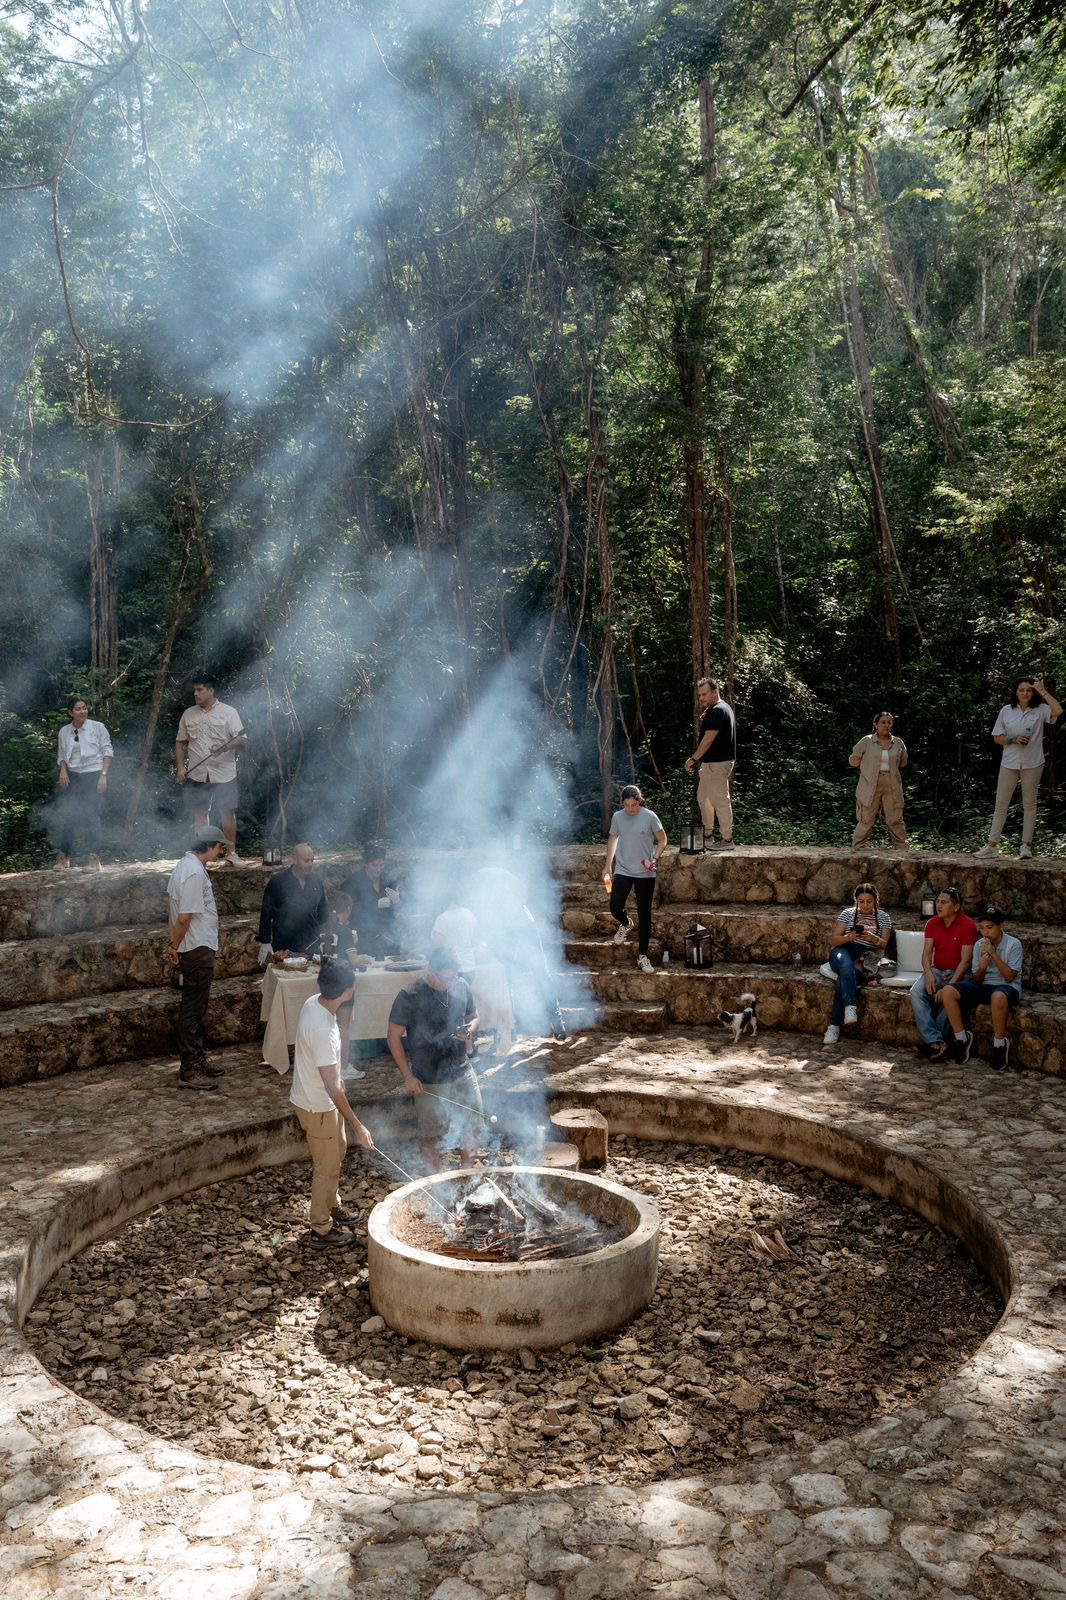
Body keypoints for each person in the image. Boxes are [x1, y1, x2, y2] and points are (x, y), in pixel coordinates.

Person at [291, 958, 375, 1250]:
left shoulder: (315, 1002)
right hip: (318, 1107)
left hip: (323, 1102)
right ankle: (321, 1228)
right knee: (325, 1167)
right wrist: (359, 1126)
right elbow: (330, 1085)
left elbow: (331, 1077)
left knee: (336, 1153)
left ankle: (332, 1204)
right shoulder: (323, 1029)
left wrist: (338, 1079)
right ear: (347, 992)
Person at [387, 946, 481, 1171]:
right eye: (444, 978)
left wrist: (469, 1031)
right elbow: (393, 1037)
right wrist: (408, 1076)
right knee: (431, 1137)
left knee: (474, 1127)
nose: (449, 983)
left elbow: (475, 1017)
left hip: (462, 1070)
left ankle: (466, 1176)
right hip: (428, 1078)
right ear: (431, 969)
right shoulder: (410, 996)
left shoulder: (461, 985)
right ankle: (437, 1185)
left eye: (453, 977)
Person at [467, 865, 567, 1042]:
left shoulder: (494, 873)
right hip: (501, 933)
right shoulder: (474, 896)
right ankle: (510, 1027)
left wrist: (512, 911)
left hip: (523, 926)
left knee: (541, 972)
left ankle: (557, 1023)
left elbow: (522, 890)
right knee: (507, 977)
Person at [165, 826, 228, 1090]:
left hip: (194, 946)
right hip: (197, 947)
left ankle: (198, 1060)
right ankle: (189, 1070)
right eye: (220, 846)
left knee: (197, 1009)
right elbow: (184, 917)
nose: (222, 850)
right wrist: (174, 946)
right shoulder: (192, 872)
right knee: (192, 1010)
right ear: (210, 845)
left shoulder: (187, 866)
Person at [976, 677, 1062, 859]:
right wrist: (1013, 739)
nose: (1025, 693)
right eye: (1021, 690)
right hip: (1009, 762)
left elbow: (1058, 710)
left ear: (1033, 693)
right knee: (1001, 804)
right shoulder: (1006, 711)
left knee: (1029, 805)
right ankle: (991, 846)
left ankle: (1025, 847)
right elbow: (997, 738)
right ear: (1016, 692)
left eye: (1029, 690)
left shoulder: (1040, 710)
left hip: (1033, 762)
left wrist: (1043, 690)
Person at [939, 905, 1023, 1070]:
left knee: (997, 997)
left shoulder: (1014, 944)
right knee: (948, 991)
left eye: (990, 928)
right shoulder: (979, 945)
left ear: (1001, 927)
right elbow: (977, 978)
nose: (986, 932)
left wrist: (993, 955)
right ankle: (961, 1039)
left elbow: (1010, 976)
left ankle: (999, 1045)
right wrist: (983, 967)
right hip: (983, 986)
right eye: (982, 928)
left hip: (1006, 987)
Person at [175, 676, 247, 863]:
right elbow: (180, 742)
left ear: (211, 691)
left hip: (224, 772)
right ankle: (204, 855)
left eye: (199, 690)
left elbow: (242, 739)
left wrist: (224, 747)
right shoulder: (188, 714)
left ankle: (231, 853)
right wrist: (181, 768)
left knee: (227, 812)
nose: (196, 694)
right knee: (200, 813)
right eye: (195, 691)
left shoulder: (229, 712)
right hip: (197, 773)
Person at [909, 888, 979, 1061]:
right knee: (916, 991)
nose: (938, 905)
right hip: (937, 970)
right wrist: (929, 974)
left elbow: (965, 962)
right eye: (938, 901)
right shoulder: (932, 923)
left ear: (956, 907)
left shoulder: (968, 925)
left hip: (960, 974)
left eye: (943, 902)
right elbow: (926, 954)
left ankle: (933, 1043)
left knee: (950, 996)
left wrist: (949, 987)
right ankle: (937, 1042)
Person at [604, 785, 668, 973]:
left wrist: (654, 859)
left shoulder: (650, 817)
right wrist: (608, 865)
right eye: (627, 805)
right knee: (615, 906)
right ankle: (625, 923)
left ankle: (643, 956)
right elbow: (613, 839)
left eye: (634, 805)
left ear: (640, 801)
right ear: (623, 803)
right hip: (623, 869)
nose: (631, 809)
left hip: (645, 872)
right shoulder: (618, 817)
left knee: (645, 914)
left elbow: (663, 840)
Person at [822, 882, 892, 1045]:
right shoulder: (847, 914)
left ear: (875, 900)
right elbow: (834, 940)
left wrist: (873, 938)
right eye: (861, 901)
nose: (865, 905)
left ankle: (833, 1026)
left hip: (864, 957)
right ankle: (850, 1007)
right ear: (856, 900)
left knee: (844, 979)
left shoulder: (883, 917)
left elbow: (883, 944)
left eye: (869, 901)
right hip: (842, 951)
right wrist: (849, 937)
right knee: (846, 965)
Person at [53, 697, 113, 870]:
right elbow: (62, 755)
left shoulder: (98, 727)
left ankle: (95, 859)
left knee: (92, 816)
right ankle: (64, 858)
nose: (83, 711)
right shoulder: (64, 731)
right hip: (73, 776)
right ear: (70, 712)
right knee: (69, 816)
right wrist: (63, 771)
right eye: (78, 709)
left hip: (94, 775)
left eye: (85, 708)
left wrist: (103, 775)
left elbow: (107, 752)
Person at [683, 677, 736, 849]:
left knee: (720, 800)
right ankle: (708, 836)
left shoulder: (718, 710)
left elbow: (708, 740)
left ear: (715, 692)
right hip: (711, 765)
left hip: (717, 764)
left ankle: (727, 840)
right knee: (703, 798)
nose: (701, 698)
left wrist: (693, 759)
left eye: (704, 694)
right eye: (699, 695)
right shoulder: (719, 709)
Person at [257, 842, 328, 962]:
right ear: (294, 860)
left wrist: (328, 932)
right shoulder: (278, 881)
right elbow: (266, 913)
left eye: (312, 860)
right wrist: (265, 942)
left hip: (311, 942)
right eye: (306, 861)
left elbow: (323, 909)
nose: (310, 864)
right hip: (284, 944)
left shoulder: (316, 880)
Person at [849, 711, 908, 849]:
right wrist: (867, 769)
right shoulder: (867, 741)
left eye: (889, 722)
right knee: (866, 818)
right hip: (869, 784)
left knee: (895, 819)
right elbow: (853, 760)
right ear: (875, 725)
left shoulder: (898, 742)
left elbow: (903, 762)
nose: (886, 725)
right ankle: (857, 849)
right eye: (883, 722)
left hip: (892, 784)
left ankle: (902, 851)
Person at [342, 845, 401, 957]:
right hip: (364, 938)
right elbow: (348, 910)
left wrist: (397, 901)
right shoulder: (353, 883)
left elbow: (398, 910)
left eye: (381, 865)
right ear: (366, 864)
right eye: (374, 865)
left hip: (388, 936)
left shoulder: (389, 881)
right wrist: (375, 905)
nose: (378, 869)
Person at [430, 891, 480, 983]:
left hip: (450, 971)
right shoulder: (469, 914)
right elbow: (475, 941)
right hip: (470, 968)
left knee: (451, 997)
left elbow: (438, 948)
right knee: (464, 996)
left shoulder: (443, 918)